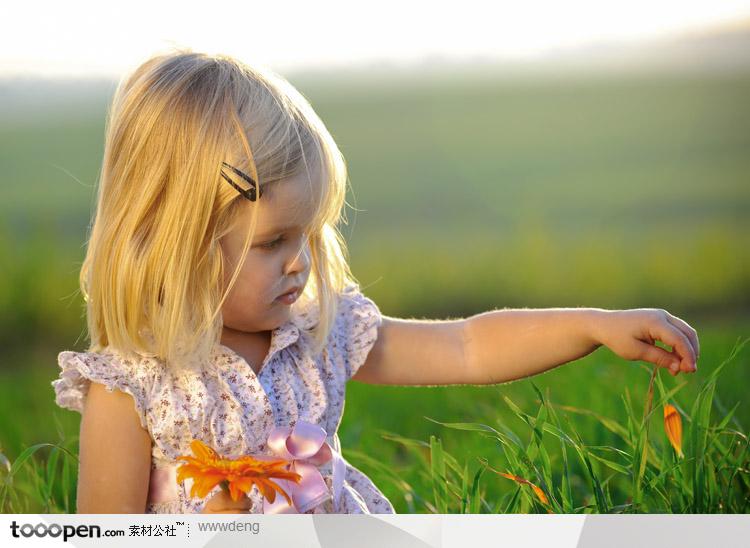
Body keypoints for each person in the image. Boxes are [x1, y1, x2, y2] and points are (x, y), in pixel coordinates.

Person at [51, 49, 700, 514]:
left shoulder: (315, 336)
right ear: (177, 246)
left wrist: (592, 325)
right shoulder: (131, 388)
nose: (300, 261)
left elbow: (468, 347)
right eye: (272, 242)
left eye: (307, 233)